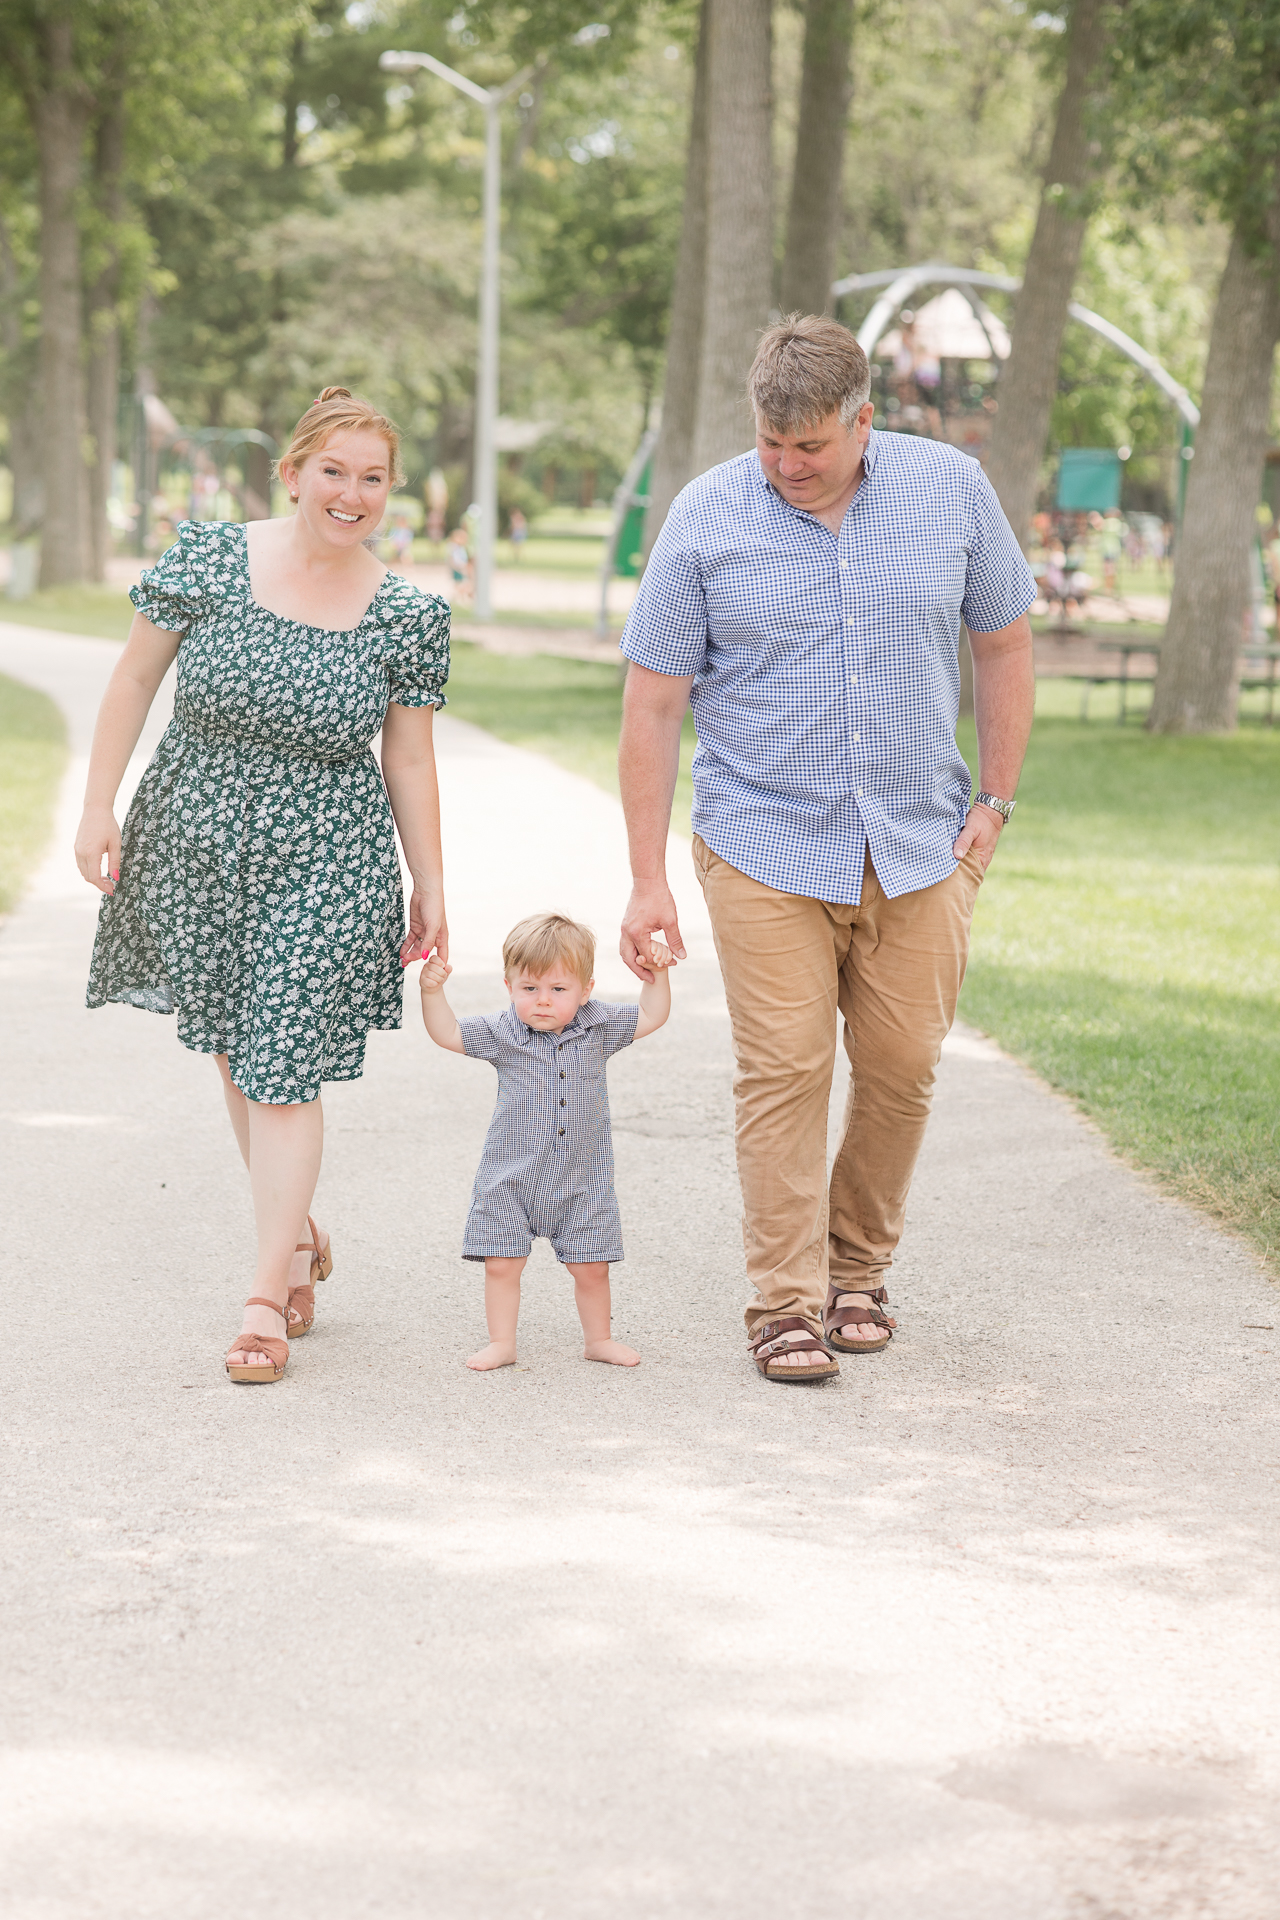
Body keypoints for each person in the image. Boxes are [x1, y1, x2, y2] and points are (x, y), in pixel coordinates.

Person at [617, 314, 1035, 1384]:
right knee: (785, 1069)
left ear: (863, 420)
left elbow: (1002, 642)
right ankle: (784, 1302)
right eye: (770, 444)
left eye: (809, 447)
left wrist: (994, 799)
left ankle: (858, 1271)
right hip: (760, 838)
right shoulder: (705, 515)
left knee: (900, 1067)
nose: (787, 466)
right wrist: (646, 877)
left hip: (918, 840)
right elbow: (654, 704)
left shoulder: (949, 492)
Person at [76, 385, 450, 1385]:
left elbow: (408, 761)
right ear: (292, 474)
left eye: (372, 477)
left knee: (280, 1053)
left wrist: (432, 883)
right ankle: (293, 1236)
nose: (351, 492)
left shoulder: (405, 615)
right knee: (238, 1049)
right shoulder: (207, 559)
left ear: (388, 492)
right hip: (196, 833)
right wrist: (96, 803)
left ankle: (259, 1303)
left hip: (330, 854)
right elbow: (131, 681)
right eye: (333, 470)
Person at [419, 911, 673, 1373]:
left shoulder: (598, 1028)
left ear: (586, 989)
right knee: (501, 1264)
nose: (542, 1001)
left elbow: (653, 1014)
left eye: (558, 990)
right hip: (510, 1178)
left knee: (592, 1268)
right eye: (529, 989)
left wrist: (656, 974)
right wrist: (431, 992)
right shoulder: (502, 1033)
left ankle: (599, 1339)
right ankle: (502, 1342)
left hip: (583, 1179)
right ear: (509, 986)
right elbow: (448, 1034)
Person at [447, 526, 472, 602]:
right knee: (459, 583)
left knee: (463, 582)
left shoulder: (461, 548)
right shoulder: (453, 547)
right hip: (457, 567)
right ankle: (458, 595)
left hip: (461, 567)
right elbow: (452, 558)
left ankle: (461, 595)